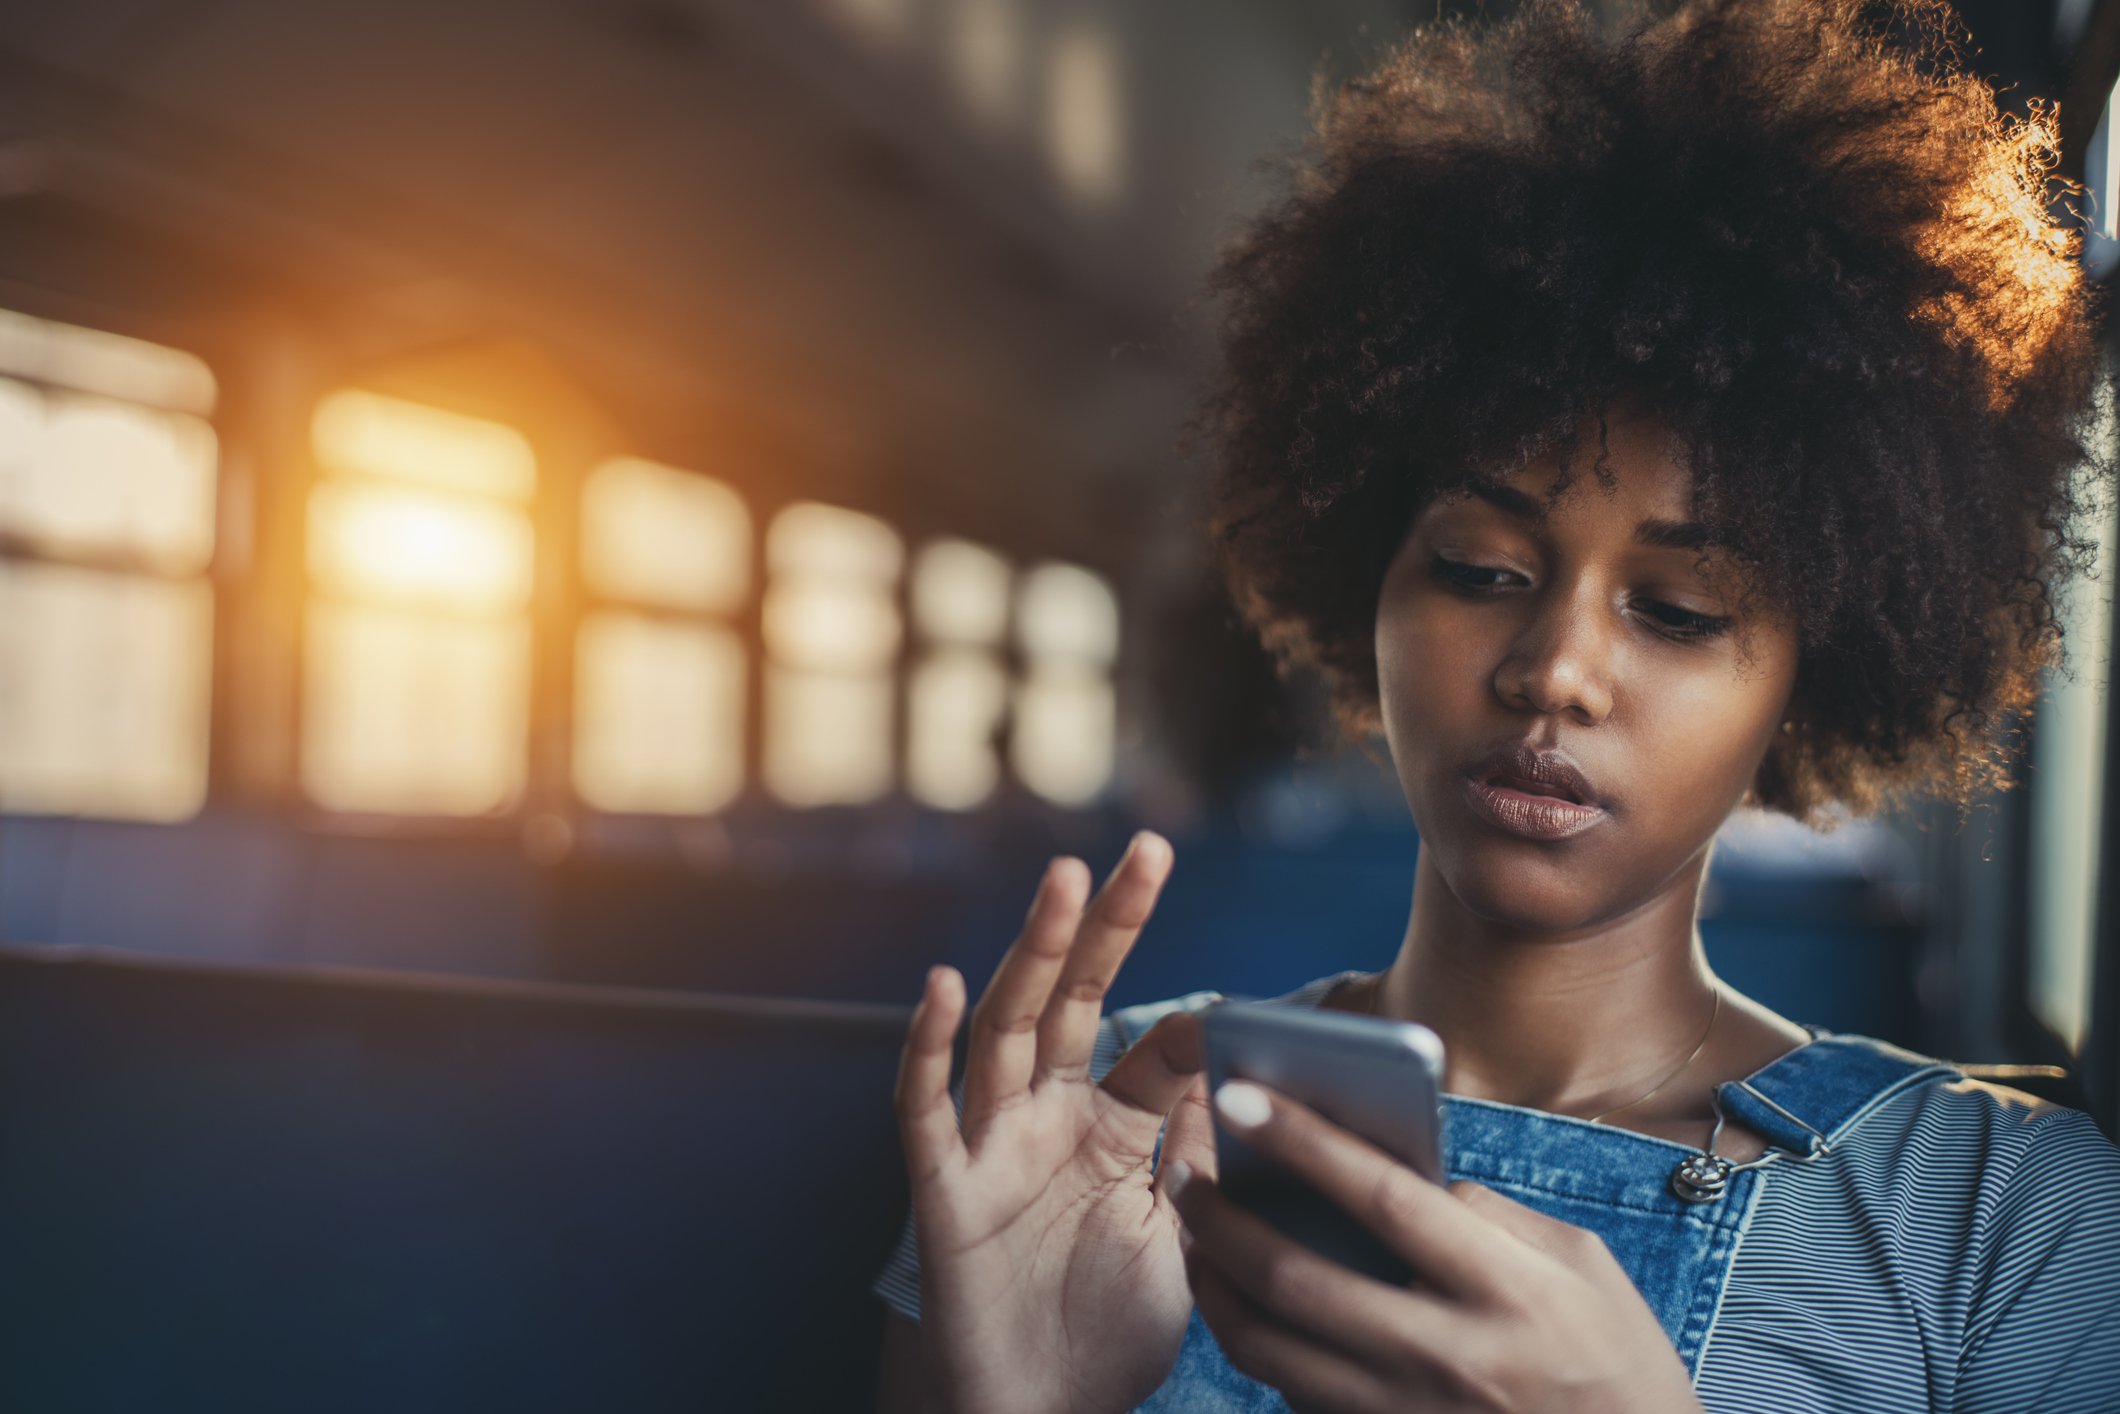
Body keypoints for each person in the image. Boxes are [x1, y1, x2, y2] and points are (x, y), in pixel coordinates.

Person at [872, 0, 2120, 1408]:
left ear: (1812, 668)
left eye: (1681, 609)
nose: (1554, 669)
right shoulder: (1086, 1120)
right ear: (1371, 579)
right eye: (1478, 566)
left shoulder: (2014, 1229)